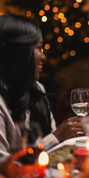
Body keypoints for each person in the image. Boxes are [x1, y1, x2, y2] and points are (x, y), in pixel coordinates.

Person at [0, 14, 84, 159]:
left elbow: (54, 153)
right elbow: (5, 166)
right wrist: (56, 137)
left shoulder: (37, 89)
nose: (44, 57)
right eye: (39, 48)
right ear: (19, 54)